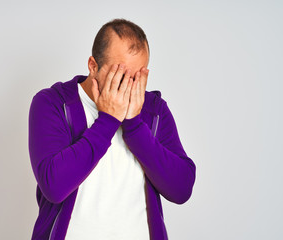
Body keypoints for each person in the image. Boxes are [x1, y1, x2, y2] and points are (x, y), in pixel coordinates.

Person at [28, 18, 196, 240]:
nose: (129, 87)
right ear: (93, 66)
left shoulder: (154, 111)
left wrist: (134, 124)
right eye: (121, 75)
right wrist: (107, 120)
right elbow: (54, 186)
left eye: (138, 77)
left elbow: (181, 189)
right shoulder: (52, 103)